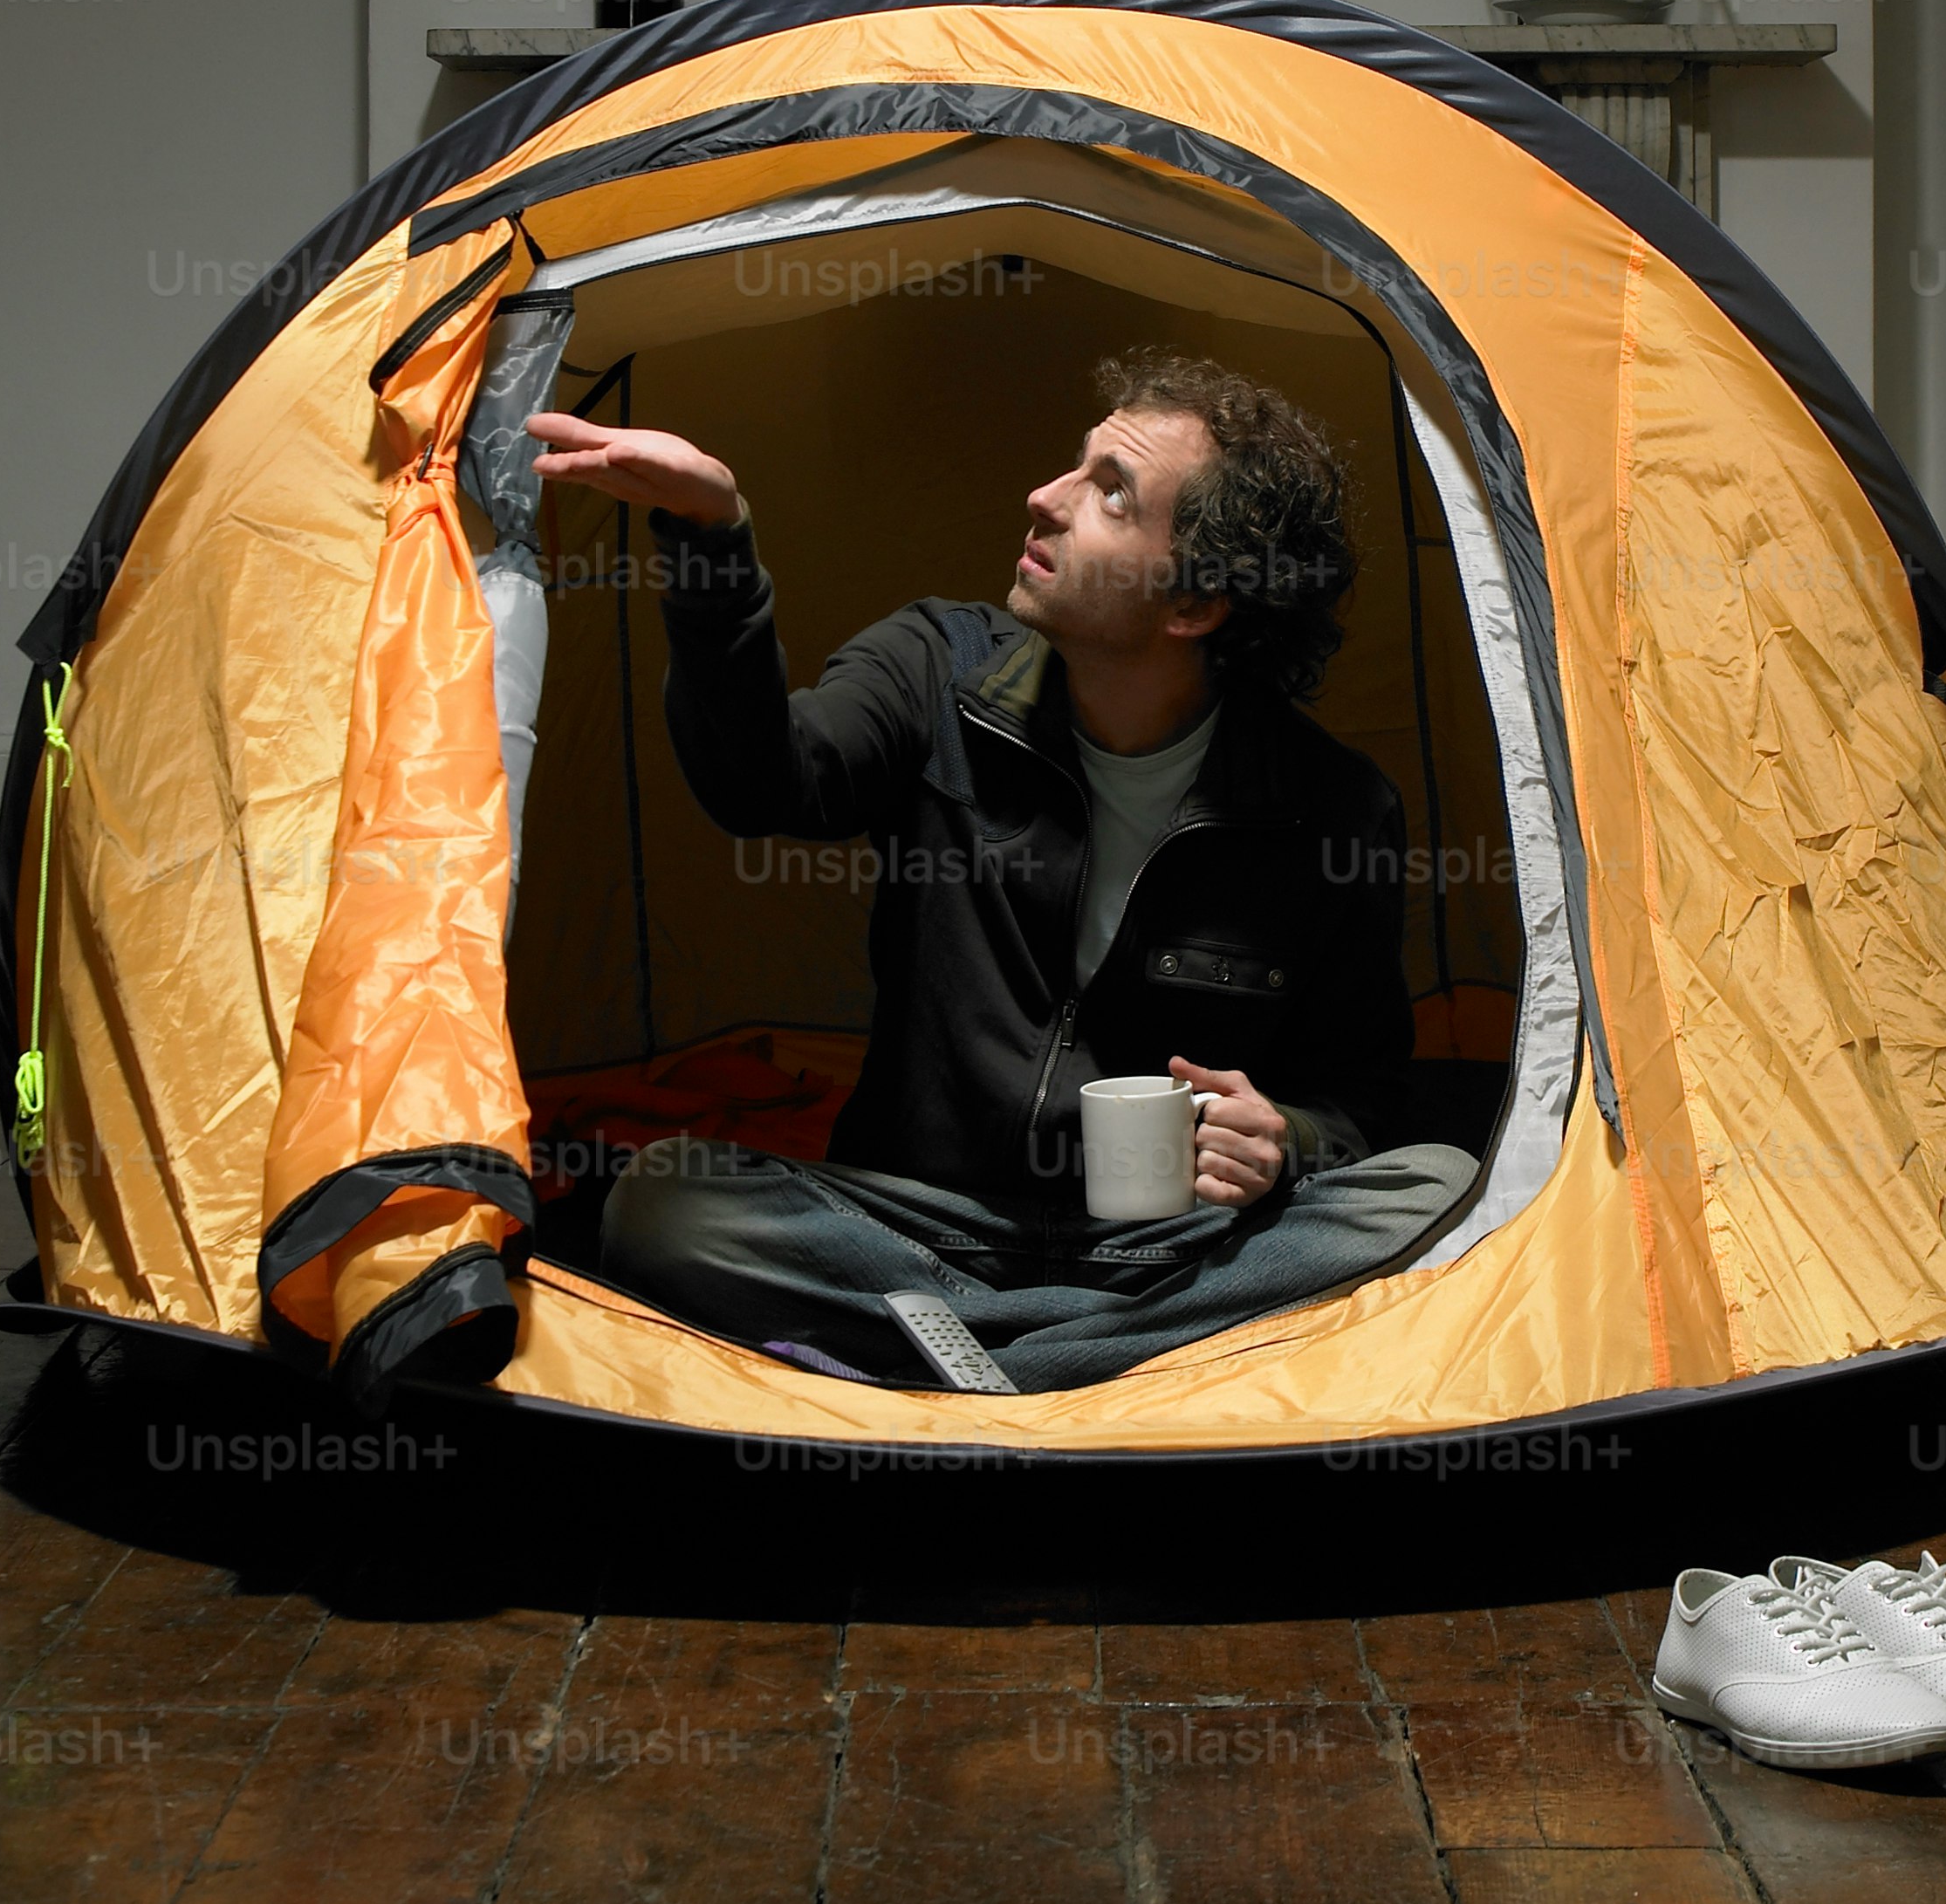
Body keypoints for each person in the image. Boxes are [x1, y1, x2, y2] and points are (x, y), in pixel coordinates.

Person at [527, 347, 1476, 1393]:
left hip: (1162, 1247)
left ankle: (972, 1362)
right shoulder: (937, 671)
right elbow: (764, 787)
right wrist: (711, 536)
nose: (1045, 497)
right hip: (919, 1226)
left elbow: (1366, 1094)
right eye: (1076, 464)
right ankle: (1101, 1364)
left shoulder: (1328, 809)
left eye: (1109, 492)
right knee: (665, 1199)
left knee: (1434, 1188)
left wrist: (1285, 1137)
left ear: (1195, 604)